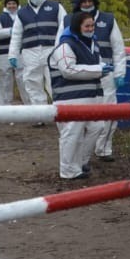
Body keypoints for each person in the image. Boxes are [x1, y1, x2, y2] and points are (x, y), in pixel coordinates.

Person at [48, 10, 113, 181]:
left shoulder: (92, 44)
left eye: (92, 25)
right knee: (72, 132)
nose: (91, 28)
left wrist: (103, 69)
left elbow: (89, 67)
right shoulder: (65, 46)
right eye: (87, 26)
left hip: (92, 96)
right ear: (77, 27)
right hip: (69, 99)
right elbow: (68, 70)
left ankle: (80, 163)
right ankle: (68, 170)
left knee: (97, 128)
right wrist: (98, 69)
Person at [72, 0, 128, 160]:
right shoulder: (69, 20)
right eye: (83, 2)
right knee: (83, 114)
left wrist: (120, 72)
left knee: (110, 113)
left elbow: (118, 48)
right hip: (81, 76)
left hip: (106, 75)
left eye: (89, 1)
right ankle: (81, 152)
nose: (87, 4)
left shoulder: (108, 20)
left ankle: (104, 149)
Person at [8, 0, 65, 118]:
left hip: (51, 50)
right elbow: (16, 35)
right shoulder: (22, 13)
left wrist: (61, 47)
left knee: (54, 82)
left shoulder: (56, 7)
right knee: (32, 83)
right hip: (30, 52)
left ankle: (61, 113)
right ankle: (40, 116)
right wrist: (12, 54)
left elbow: (64, 27)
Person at [0, 0, 22, 106]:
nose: (11, 6)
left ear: (17, 5)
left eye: (14, 3)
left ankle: (30, 108)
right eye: (9, 4)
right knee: (3, 82)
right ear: (5, 5)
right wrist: (13, 31)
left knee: (23, 80)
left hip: (20, 52)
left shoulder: (22, 16)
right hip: (3, 53)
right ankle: (4, 107)